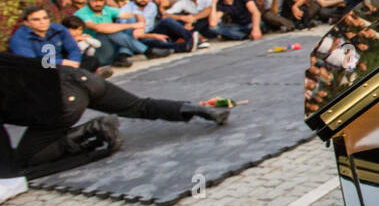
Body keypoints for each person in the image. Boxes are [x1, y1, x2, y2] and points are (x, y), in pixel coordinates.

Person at [0, 52, 228, 177]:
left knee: (22, 161)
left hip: (62, 104)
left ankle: (90, 130)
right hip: (80, 78)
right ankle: (197, 109)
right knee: (140, 105)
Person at [75, 0, 154, 65]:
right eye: (94, 1)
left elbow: (136, 15)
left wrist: (140, 26)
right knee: (107, 32)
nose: (98, 3)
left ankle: (122, 55)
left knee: (131, 20)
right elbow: (98, 28)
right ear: (87, 1)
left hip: (112, 44)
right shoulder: (82, 13)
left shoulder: (106, 9)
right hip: (96, 48)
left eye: (101, 0)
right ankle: (146, 51)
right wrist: (133, 26)